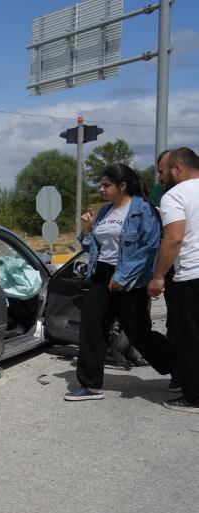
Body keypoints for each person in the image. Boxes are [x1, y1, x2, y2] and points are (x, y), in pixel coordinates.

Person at [65, 164, 175, 401]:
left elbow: (149, 248)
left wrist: (122, 277)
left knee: (138, 333)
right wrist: (86, 230)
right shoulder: (104, 212)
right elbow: (93, 246)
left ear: (123, 186)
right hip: (100, 274)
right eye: (101, 185)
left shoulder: (144, 210)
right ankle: (90, 385)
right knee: (91, 328)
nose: (101, 189)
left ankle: (181, 368)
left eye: (106, 185)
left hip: (130, 279)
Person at [149, 147, 199, 413]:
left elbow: (174, 238)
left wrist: (158, 276)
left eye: (161, 171)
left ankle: (194, 397)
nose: (160, 178)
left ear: (177, 168)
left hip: (191, 276)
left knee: (189, 338)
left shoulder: (175, 195)